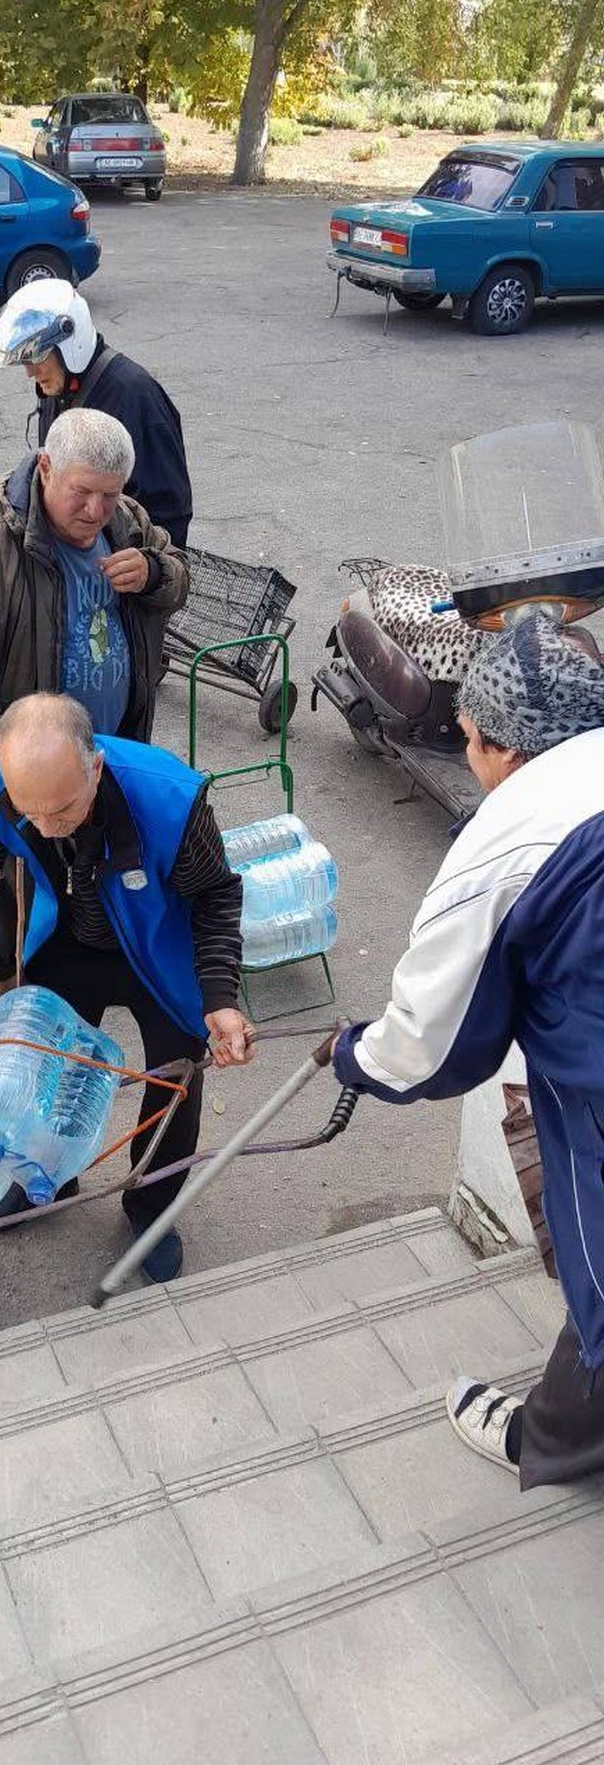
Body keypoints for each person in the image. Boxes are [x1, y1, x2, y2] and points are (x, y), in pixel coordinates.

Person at [330, 615, 604, 1489]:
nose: (468, 754)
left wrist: (354, 1057)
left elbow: (432, 1043)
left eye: (471, 738)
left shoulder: (506, 841)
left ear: (506, 750)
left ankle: (549, 1441)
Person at [0, 692, 250, 1282]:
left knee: (175, 1080)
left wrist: (221, 1000)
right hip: (72, 936)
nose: (48, 827)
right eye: (34, 814)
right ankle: (46, 1175)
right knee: (40, 1067)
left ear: (94, 765)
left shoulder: (171, 797)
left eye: (65, 810)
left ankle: (152, 1208)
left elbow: (218, 895)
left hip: (159, 945)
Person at [0, 407, 189, 1000]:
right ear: (44, 469)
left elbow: (180, 579)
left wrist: (158, 572)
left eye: (110, 496)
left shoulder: (127, 525)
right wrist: (9, 749)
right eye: (81, 493)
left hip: (104, 758)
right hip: (23, 772)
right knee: (9, 898)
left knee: (94, 881)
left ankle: (83, 987)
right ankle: (4, 1005)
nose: (96, 512)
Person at [0, 279, 193, 547]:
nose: (30, 372)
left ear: (70, 344)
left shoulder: (135, 395)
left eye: (36, 358)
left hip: (120, 569)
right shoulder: (59, 389)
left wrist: (148, 571)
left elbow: (169, 513)